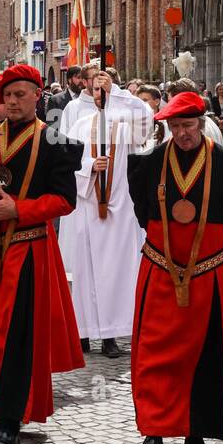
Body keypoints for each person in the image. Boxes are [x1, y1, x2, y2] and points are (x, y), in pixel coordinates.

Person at [0, 64, 84, 444]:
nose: (12, 101)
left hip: (25, 250)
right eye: (7, 95)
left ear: (37, 96)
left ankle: (10, 420)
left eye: (20, 95)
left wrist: (19, 209)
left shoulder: (56, 142)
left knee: (15, 338)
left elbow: (65, 201)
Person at [125, 91, 223, 444]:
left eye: (188, 125)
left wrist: (210, 256)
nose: (182, 133)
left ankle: (197, 431)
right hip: (160, 269)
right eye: (175, 127)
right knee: (153, 352)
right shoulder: (149, 164)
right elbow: (143, 212)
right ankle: (153, 433)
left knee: (209, 353)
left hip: (209, 271)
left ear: (202, 124)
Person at [58, 72, 153, 358]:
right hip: (87, 208)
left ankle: (112, 333)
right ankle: (84, 331)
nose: (102, 98)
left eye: (106, 93)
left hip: (120, 210)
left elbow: (148, 120)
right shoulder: (79, 125)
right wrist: (88, 167)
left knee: (117, 273)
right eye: (98, 93)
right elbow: (64, 165)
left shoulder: (127, 125)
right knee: (85, 274)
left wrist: (120, 92)